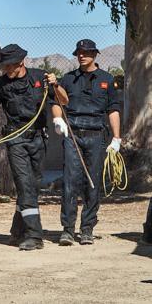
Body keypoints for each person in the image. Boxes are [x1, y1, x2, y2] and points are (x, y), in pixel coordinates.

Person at [0, 44, 68, 251]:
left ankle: (17, 231)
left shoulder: (41, 78)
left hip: (39, 138)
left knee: (34, 185)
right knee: (24, 184)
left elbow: (63, 100)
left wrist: (56, 88)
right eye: (3, 66)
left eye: (8, 66)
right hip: (15, 139)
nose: (5, 70)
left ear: (20, 63)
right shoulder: (0, 85)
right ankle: (34, 235)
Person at [51, 39, 121, 246]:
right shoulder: (67, 79)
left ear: (95, 54)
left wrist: (117, 138)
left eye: (86, 52)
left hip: (97, 135)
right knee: (71, 182)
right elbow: (56, 102)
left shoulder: (107, 80)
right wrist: (57, 120)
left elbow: (113, 110)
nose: (82, 56)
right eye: (79, 52)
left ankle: (87, 228)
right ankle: (68, 229)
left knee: (93, 183)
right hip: (73, 134)